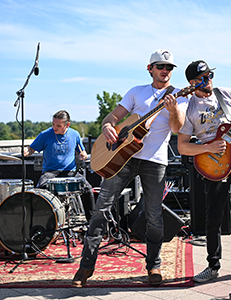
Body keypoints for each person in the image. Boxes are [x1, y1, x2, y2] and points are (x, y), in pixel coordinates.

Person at [72, 49, 188, 287]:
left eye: (169, 68)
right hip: (122, 157)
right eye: (160, 66)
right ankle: (85, 267)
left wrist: (173, 108)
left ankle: (154, 265)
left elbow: (177, 128)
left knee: (154, 215)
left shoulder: (179, 95)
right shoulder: (136, 92)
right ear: (150, 69)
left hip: (155, 161)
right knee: (101, 209)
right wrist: (107, 127)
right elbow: (112, 118)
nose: (165, 71)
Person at [177, 60, 231, 283]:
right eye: (203, 78)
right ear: (192, 83)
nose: (209, 81)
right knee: (213, 217)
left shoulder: (226, 94)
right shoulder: (190, 108)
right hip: (214, 163)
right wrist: (207, 147)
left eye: (210, 76)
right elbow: (182, 146)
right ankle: (213, 265)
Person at [24, 110, 95, 222]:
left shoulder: (75, 134)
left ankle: (92, 224)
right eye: (53, 124)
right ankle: (41, 223)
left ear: (67, 125)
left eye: (58, 125)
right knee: (39, 192)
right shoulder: (45, 135)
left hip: (70, 172)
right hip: (50, 172)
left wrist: (83, 155)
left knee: (88, 189)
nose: (54, 127)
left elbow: (82, 151)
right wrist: (27, 151)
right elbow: (31, 148)